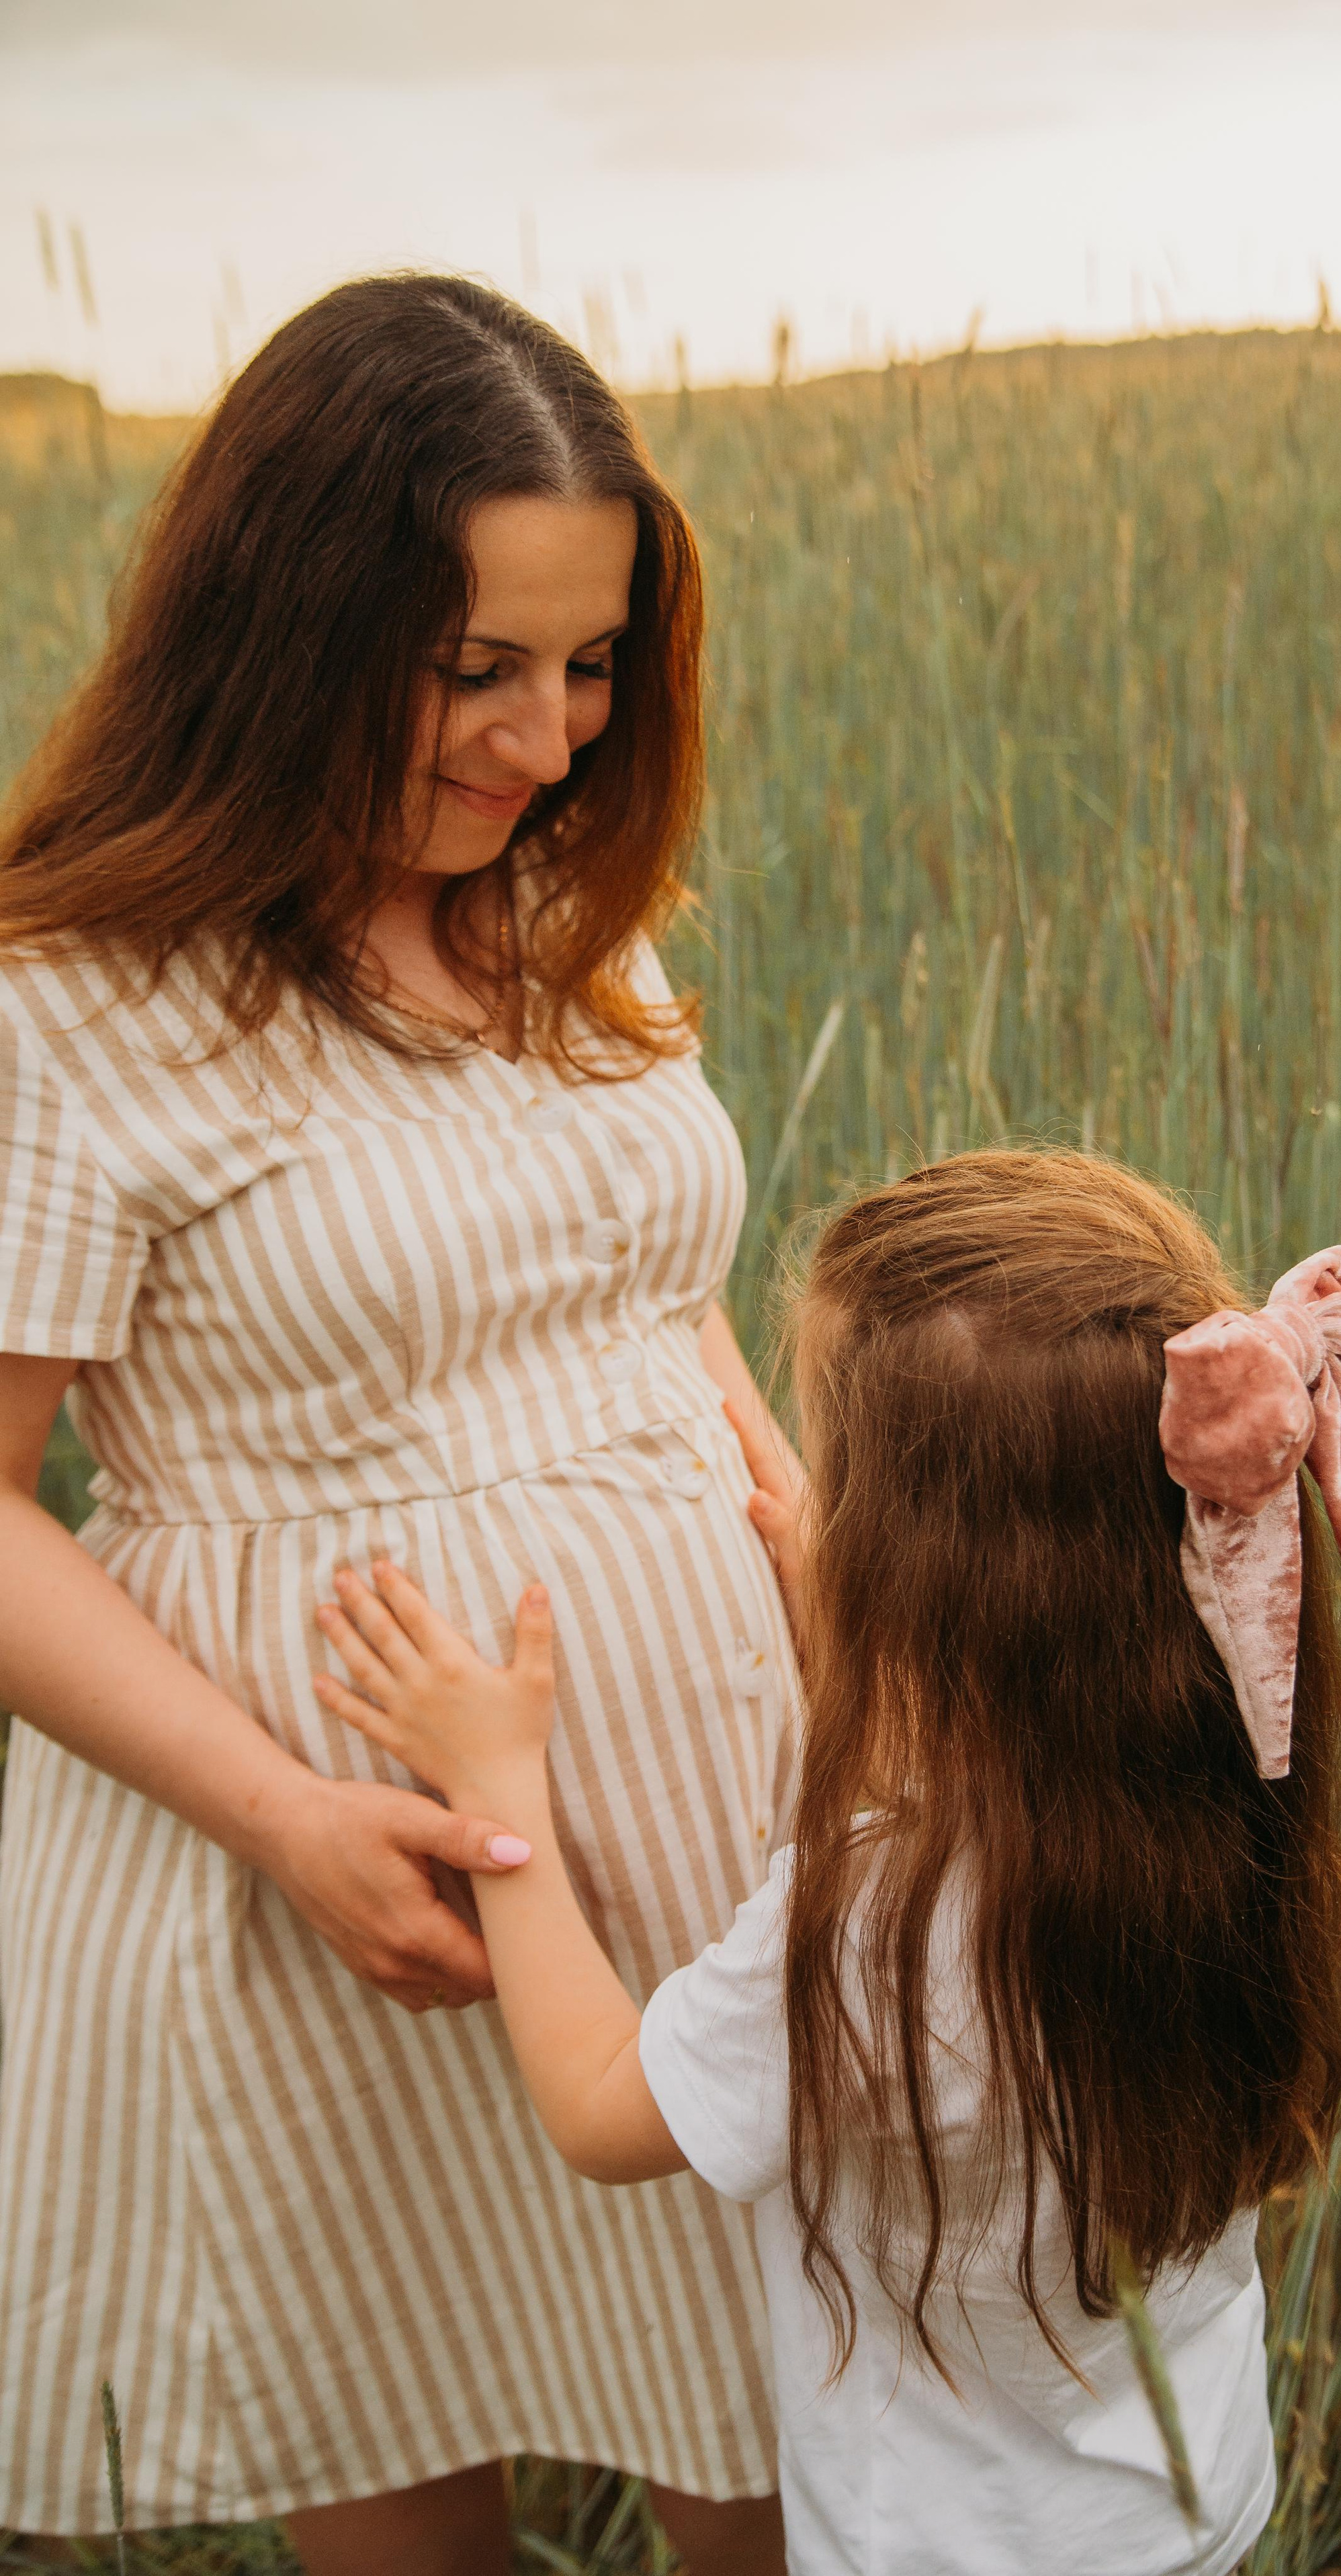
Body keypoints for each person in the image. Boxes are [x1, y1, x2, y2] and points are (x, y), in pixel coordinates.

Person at [0, 275, 796, 2573]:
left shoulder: (567, 917)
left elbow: (662, 1296)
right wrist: (286, 1820)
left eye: (592, 661)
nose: (547, 738)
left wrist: (841, 1594)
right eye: (476, 668)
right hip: (358, 1859)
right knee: (398, 2430)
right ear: (289, 628)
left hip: (716, 1823)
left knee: (784, 2463)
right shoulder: (74, 1005)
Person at [310, 1150, 1341, 2576]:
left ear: (919, 1576)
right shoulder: (1225, 1772)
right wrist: (853, 1630)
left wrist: (500, 1799)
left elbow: (602, 2113)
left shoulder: (879, 1918)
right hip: (1184, 2502)